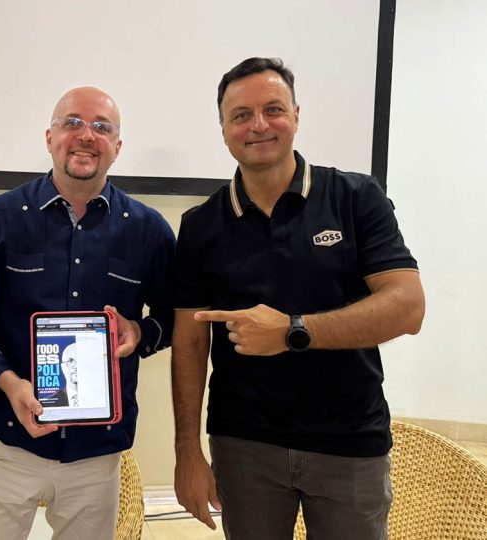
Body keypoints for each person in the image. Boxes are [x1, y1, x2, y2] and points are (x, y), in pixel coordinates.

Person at [171, 57, 425, 540]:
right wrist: (187, 453)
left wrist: (293, 331)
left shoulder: (356, 197)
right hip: (244, 447)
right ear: (223, 129)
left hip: (349, 442)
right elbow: (189, 341)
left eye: (273, 109)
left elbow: (408, 307)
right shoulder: (200, 225)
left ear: (296, 116)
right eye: (241, 115)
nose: (258, 125)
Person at [0, 86, 175, 539]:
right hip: (2, 439)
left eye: (101, 127)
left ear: (118, 147)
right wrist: (9, 382)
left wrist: (140, 332)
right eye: (72, 123)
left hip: (96, 452)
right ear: (49, 137)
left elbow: (175, 319)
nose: (86, 136)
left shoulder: (149, 230)